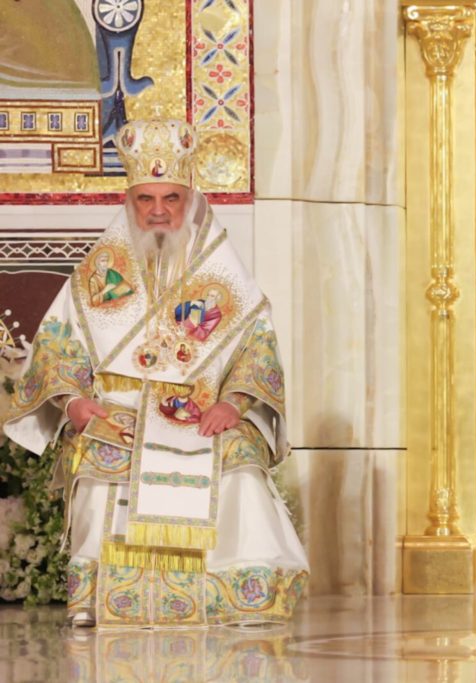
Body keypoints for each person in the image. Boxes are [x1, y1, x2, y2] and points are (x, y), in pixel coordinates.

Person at [3, 119, 308, 628]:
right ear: (130, 201)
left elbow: (257, 344)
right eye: (146, 199)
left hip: (205, 408)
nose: (160, 211)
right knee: (100, 452)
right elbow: (60, 342)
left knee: (239, 454)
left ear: (190, 198)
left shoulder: (219, 265)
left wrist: (233, 404)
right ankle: (108, 598)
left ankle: (235, 595)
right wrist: (75, 403)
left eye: (171, 197)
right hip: (118, 409)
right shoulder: (102, 266)